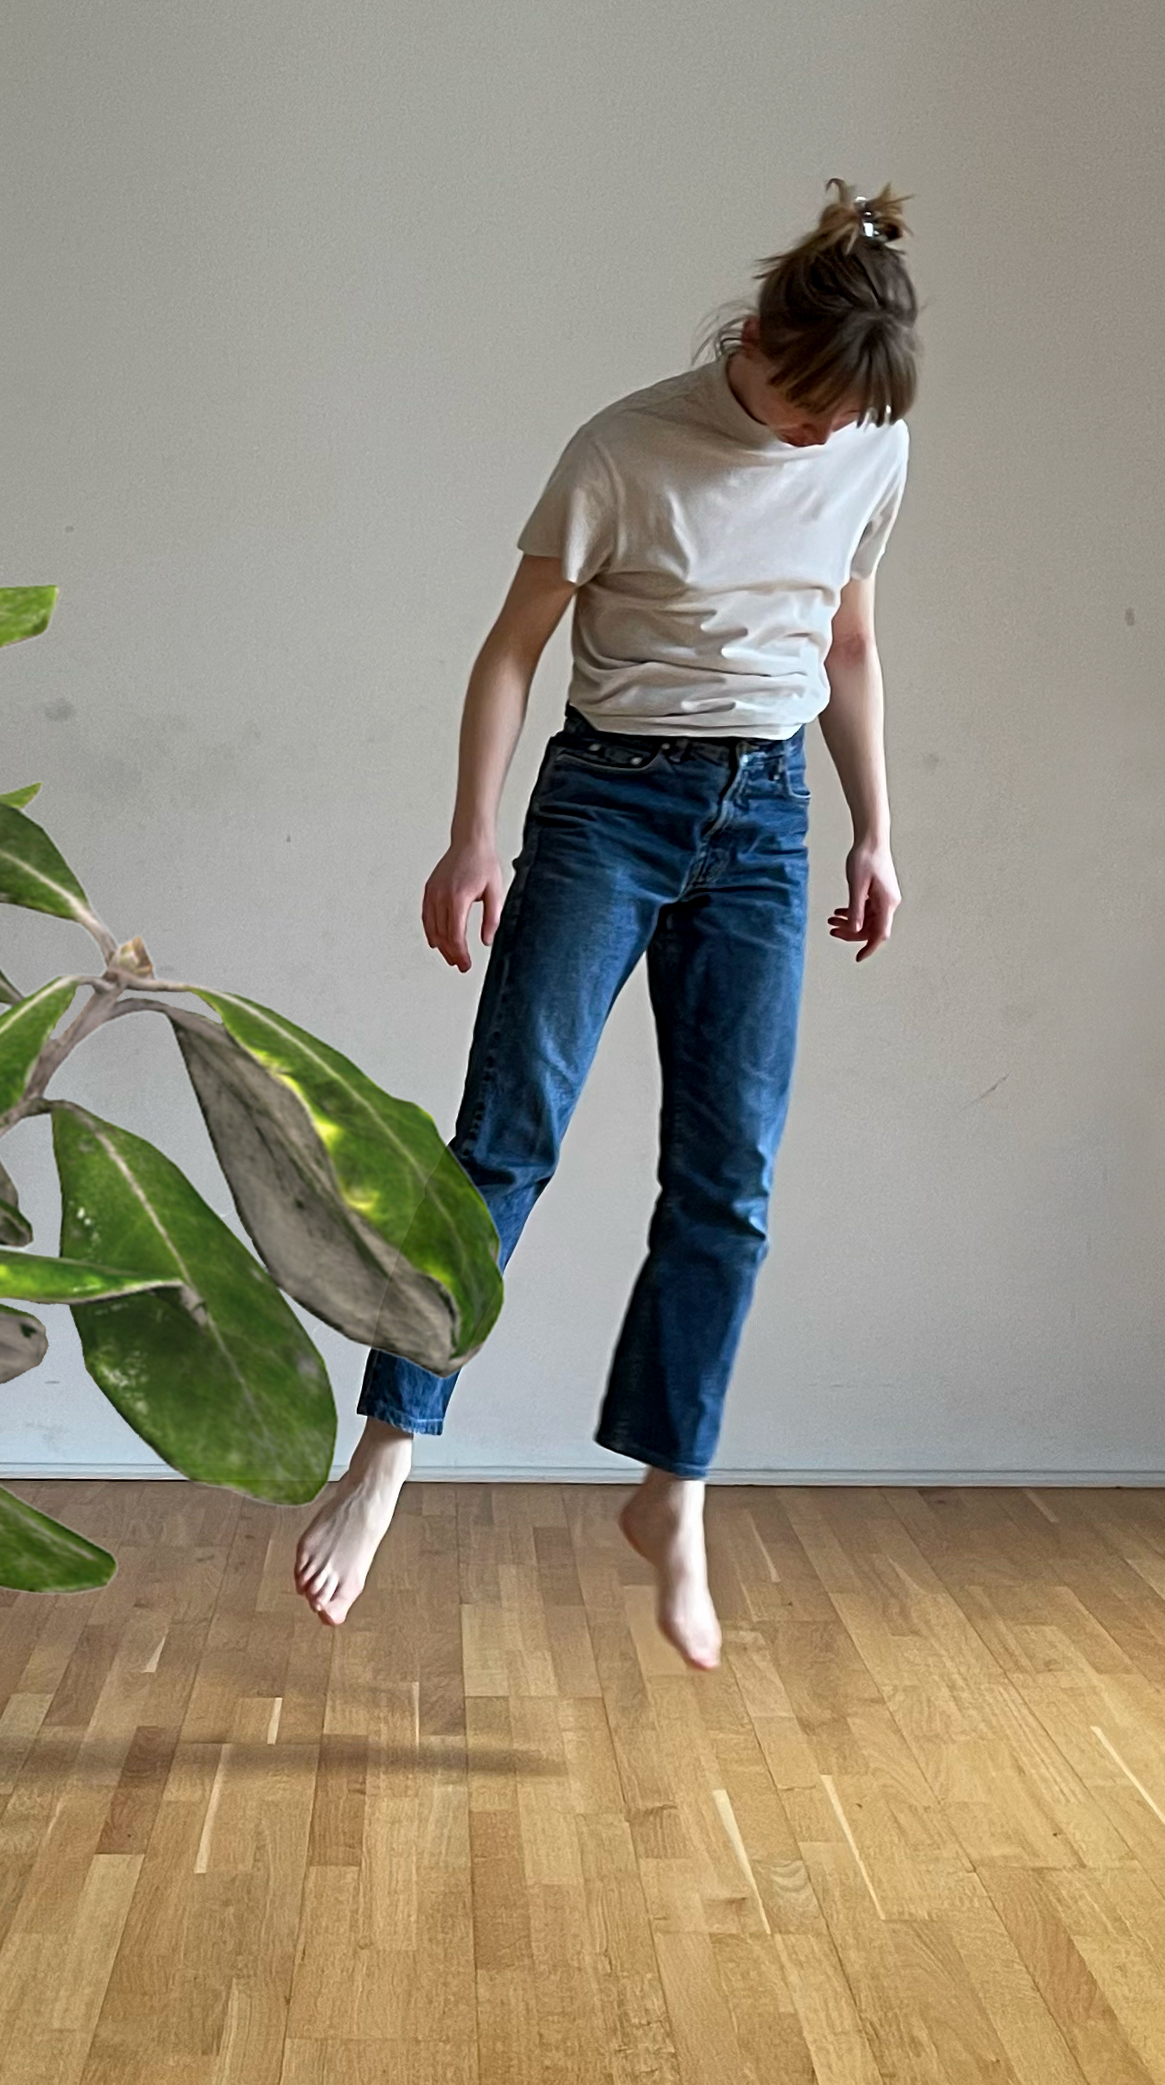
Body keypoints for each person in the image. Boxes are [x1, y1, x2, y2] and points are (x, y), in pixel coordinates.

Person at [292, 183, 921, 1663]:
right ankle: (386, 1451)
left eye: (848, 420)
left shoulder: (873, 444)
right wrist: (473, 835)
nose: (821, 437)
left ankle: (673, 1485)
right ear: (756, 342)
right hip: (611, 805)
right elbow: (510, 651)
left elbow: (848, 639)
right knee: (505, 1139)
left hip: (766, 820)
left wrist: (879, 827)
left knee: (730, 1179)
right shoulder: (623, 450)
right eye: (805, 405)